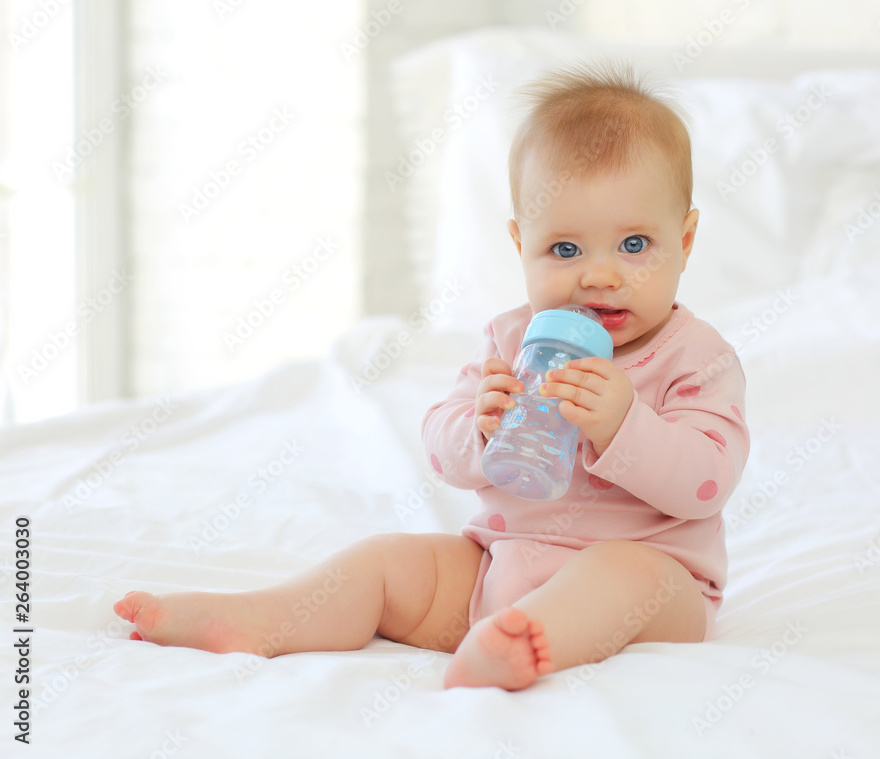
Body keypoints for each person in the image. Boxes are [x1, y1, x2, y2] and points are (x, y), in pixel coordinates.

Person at [113, 61, 750, 692]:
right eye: (565, 249)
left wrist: (623, 425)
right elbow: (441, 442)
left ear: (686, 240)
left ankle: (526, 645)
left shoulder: (696, 357)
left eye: (634, 245)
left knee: (620, 573)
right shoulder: (513, 340)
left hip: (656, 590)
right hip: (499, 568)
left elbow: (707, 483)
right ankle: (263, 617)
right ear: (519, 241)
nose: (600, 275)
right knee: (389, 560)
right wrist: (480, 429)